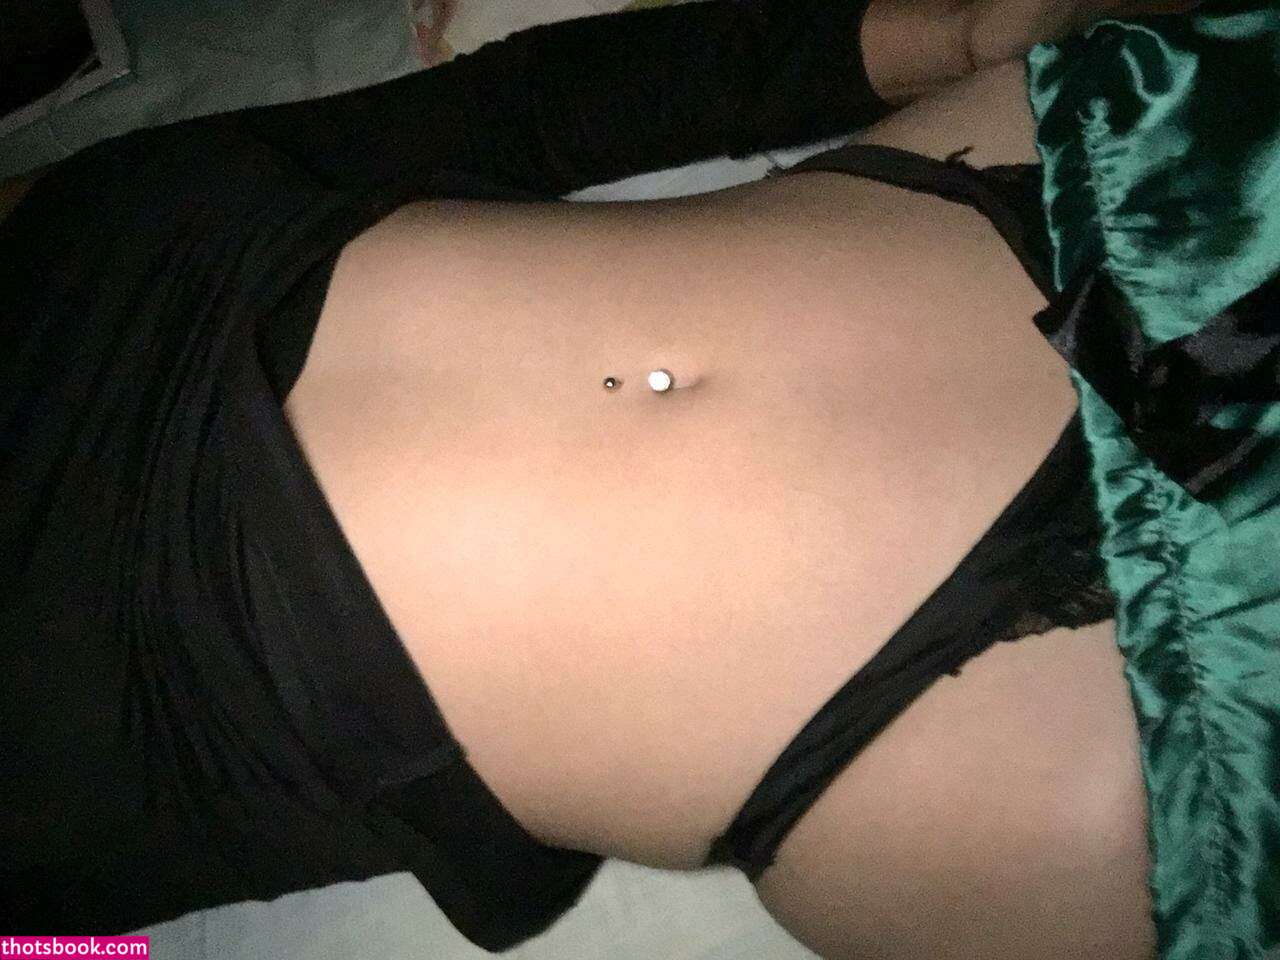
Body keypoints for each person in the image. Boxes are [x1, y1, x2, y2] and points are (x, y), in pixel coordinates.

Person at [1, 1, 1196, 956]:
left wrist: (942, 32)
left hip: (1081, 179)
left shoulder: (59, 209)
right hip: (989, 744)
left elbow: (518, 112)